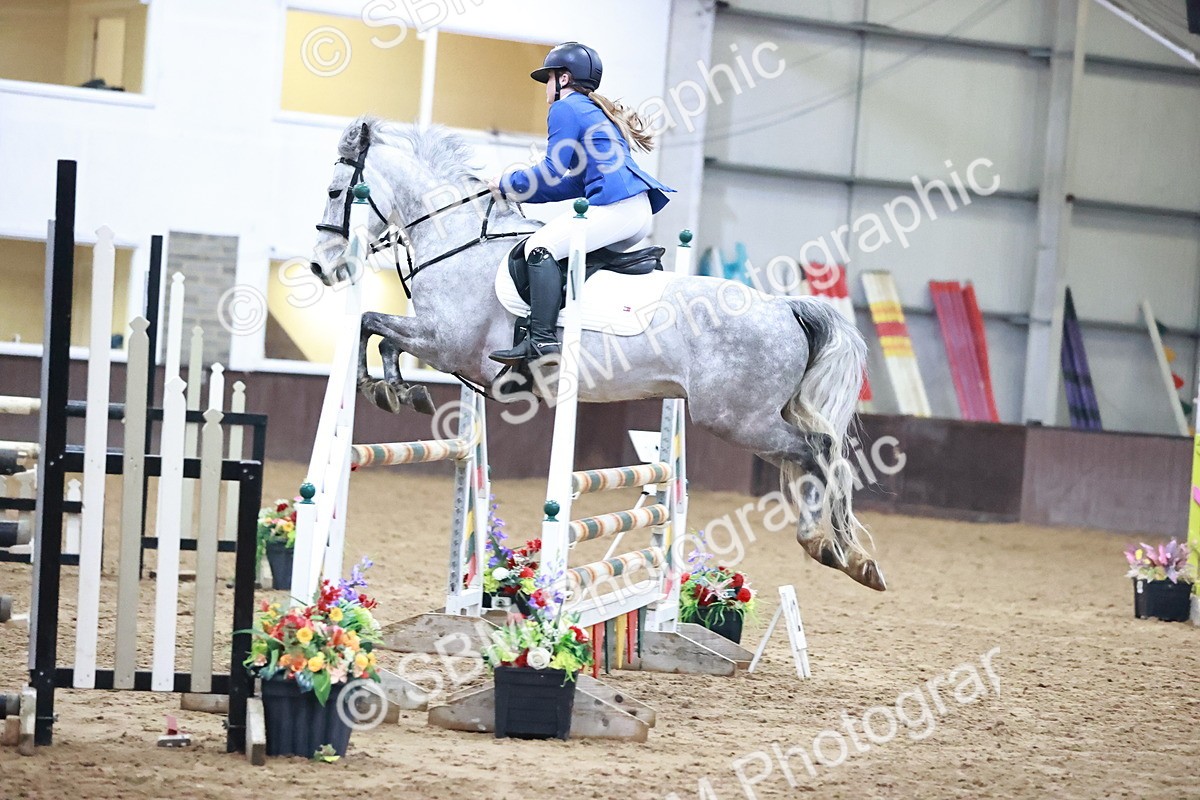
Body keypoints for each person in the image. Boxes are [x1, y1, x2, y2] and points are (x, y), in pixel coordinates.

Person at [488, 41, 675, 367]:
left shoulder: (566, 108)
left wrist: (507, 182)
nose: (545, 88)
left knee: (540, 248)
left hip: (618, 210)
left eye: (547, 79)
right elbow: (569, 183)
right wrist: (516, 192)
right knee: (558, 251)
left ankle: (542, 339)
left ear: (563, 79)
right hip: (633, 212)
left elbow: (549, 170)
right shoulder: (590, 111)